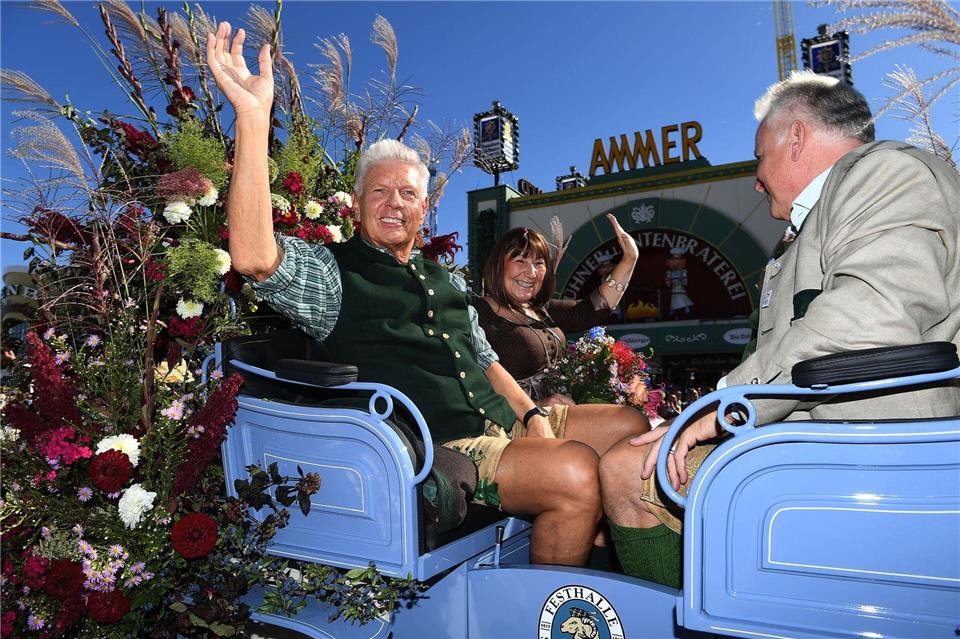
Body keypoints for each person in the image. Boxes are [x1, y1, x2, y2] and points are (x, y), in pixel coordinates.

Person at [207, 22, 645, 567]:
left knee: (630, 428)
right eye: (379, 191)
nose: (393, 204)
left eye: (407, 194)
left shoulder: (446, 280)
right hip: (445, 441)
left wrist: (531, 414)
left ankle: (622, 571)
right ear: (358, 202)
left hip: (500, 417)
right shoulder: (332, 274)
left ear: (424, 208)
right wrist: (252, 119)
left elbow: (486, 362)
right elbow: (251, 255)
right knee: (577, 473)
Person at [599, 70, 960, 588]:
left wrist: (722, 405)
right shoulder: (808, 228)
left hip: (879, 453)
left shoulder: (884, 172)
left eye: (758, 157)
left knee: (626, 473)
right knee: (636, 458)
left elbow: (872, 314)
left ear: (796, 137)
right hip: (825, 438)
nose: (755, 177)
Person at [475, 221, 640, 406]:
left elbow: (590, 310)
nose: (531, 273)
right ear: (498, 266)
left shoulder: (541, 308)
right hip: (516, 423)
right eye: (520, 261)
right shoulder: (475, 314)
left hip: (562, 411)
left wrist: (629, 259)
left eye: (539, 263)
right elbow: (472, 387)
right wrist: (537, 407)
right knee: (629, 423)